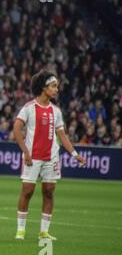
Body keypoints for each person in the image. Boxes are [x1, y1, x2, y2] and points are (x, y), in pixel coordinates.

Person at [13, 70, 85, 241]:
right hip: (33, 157)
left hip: (52, 157)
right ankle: (20, 230)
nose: (56, 89)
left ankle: (44, 232)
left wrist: (75, 154)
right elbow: (16, 130)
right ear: (44, 88)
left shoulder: (56, 111)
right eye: (53, 86)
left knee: (49, 192)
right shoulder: (29, 108)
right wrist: (25, 151)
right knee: (28, 191)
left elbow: (62, 135)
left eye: (56, 86)